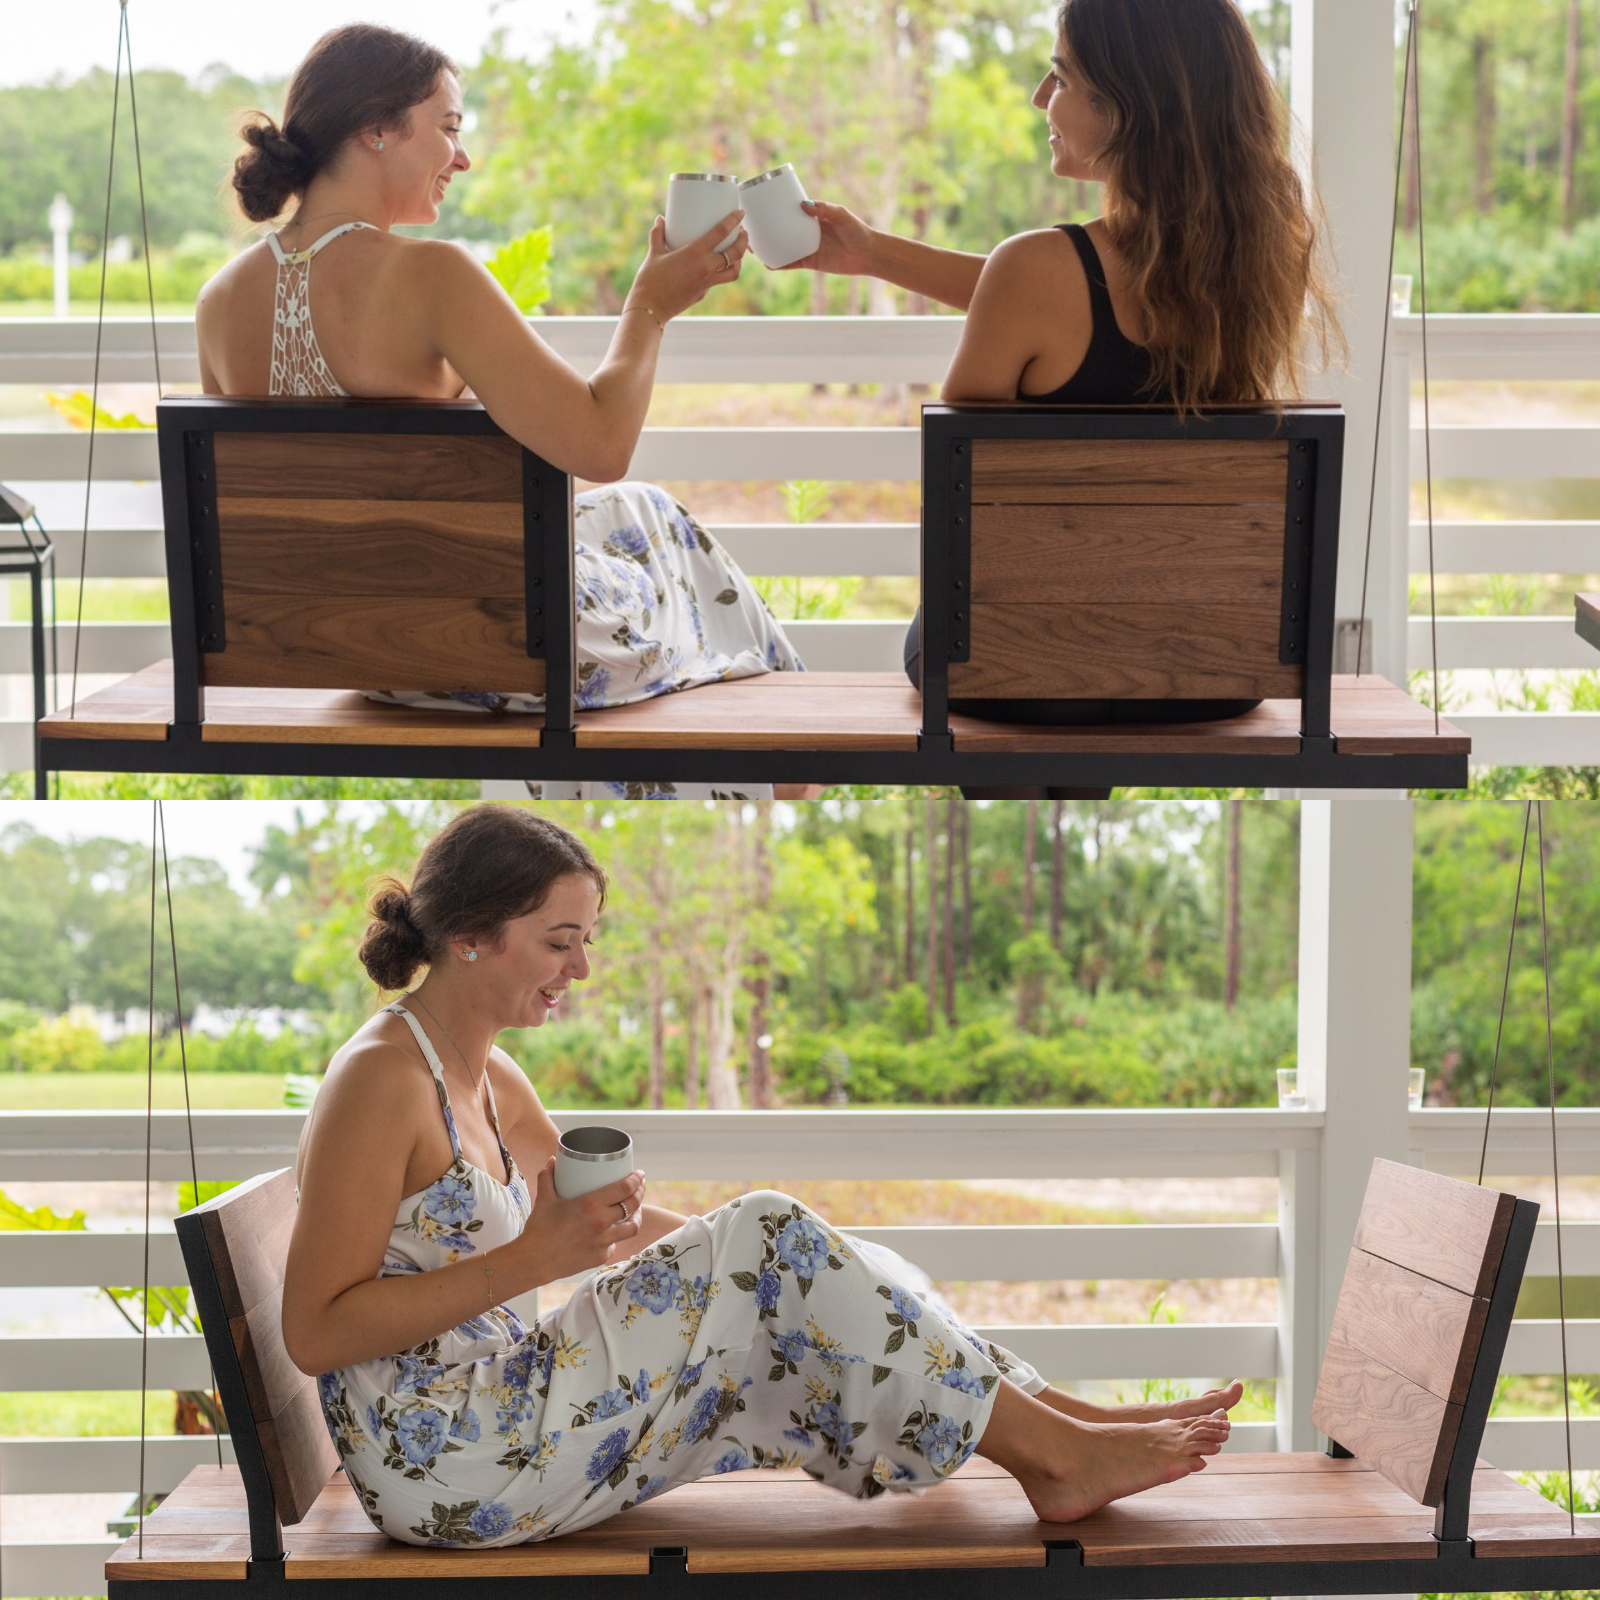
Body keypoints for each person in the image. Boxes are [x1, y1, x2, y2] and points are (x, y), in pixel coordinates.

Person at [285, 804, 1239, 1548]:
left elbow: (617, 1220)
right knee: (771, 1236)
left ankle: (1058, 1421)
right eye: (560, 939)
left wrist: (771, 1264)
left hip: (507, 1409)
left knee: (779, 1244)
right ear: (471, 937)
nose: (583, 966)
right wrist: (541, 1262)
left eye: (589, 937)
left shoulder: (491, 1074)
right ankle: (1059, 1449)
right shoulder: (382, 1079)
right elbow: (315, 1330)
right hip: (449, 1458)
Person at [196, 24, 802, 771]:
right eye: (448, 128)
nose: (463, 156)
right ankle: (791, 765)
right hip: (499, 656)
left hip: (355, 660)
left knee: (636, 511)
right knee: (662, 528)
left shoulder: (220, 300)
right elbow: (601, 446)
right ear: (377, 129)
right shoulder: (435, 276)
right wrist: (648, 308)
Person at [785, 0, 1340, 769]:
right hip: (1211, 674)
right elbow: (1075, 308)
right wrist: (874, 253)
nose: (1041, 100)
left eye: (1060, 76)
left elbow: (955, 511)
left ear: (1127, 106)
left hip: (1014, 674)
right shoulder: (1257, 272)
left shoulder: (1036, 270)